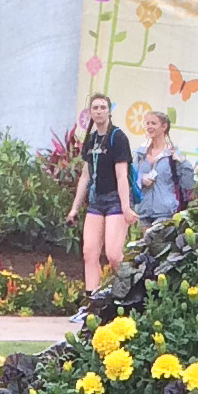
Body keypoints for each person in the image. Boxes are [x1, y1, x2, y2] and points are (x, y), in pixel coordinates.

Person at [69, 93, 135, 291]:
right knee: (89, 252)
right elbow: (85, 177)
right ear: (90, 112)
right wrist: (74, 208)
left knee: (114, 254)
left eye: (102, 107)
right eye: (95, 108)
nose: (98, 111)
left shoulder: (117, 137)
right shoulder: (91, 140)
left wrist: (126, 207)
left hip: (115, 199)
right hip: (96, 201)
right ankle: (91, 300)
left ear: (109, 111)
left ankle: (128, 291)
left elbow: (122, 175)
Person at [130, 106, 197, 227]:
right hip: (143, 212)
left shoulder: (172, 154)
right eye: (147, 123)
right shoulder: (140, 154)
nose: (149, 127)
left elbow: (188, 183)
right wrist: (141, 179)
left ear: (164, 127)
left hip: (165, 213)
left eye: (153, 123)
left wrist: (182, 162)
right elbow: (130, 179)